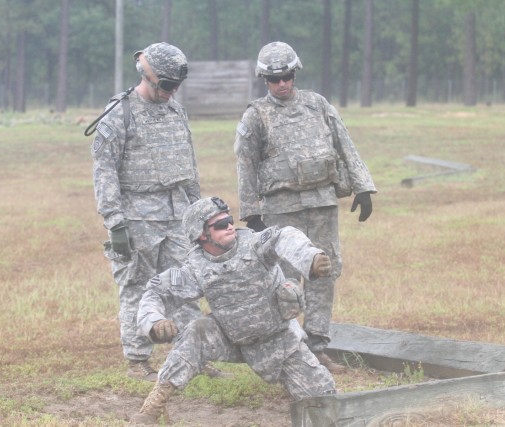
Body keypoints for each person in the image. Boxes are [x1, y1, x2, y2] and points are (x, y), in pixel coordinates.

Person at [234, 41, 377, 374]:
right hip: (281, 209)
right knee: (283, 280)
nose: (281, 84)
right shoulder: (255, 116)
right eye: (274, 79)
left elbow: (344, 143)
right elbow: (245, 163)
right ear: (264, 80)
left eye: (286, 77)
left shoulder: (317, 105)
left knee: (324, 272)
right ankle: (286, 348)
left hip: (322, 203)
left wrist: (363, 186)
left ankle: (317, 345)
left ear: (294, 73)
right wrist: (252, 212)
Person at [130, 196, 336, 424]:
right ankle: (152, 407)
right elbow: (155, 292)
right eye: (219, 224)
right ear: (201, 234)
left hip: (279, 340)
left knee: (324, 403)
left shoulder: (256, 244)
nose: (229, 226)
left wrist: (311, 257)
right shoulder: (195, 268)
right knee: (198, 329)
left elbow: (284, 236)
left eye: (229, 220)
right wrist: (155, 322)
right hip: (231, 338)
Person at [91, 42, 206, 381]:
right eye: (167, 85)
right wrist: (114, 222)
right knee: (138, 288)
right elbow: (104, 171)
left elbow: (189, 166)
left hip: (177, 215)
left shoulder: (176, 111)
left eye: (176, 86)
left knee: (186, 286)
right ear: (148, 76)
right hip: (136, 218)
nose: (172, 92)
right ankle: (138, 361)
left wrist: (198, 211)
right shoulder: (119, 114)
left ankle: (194, 355)